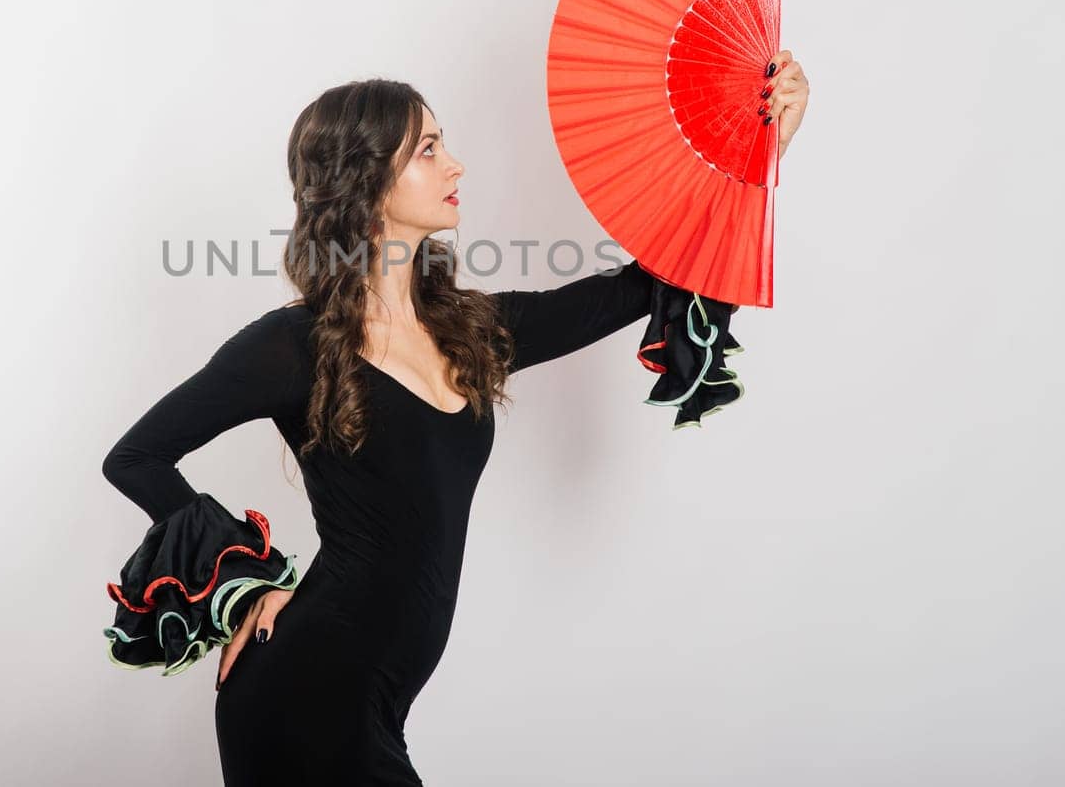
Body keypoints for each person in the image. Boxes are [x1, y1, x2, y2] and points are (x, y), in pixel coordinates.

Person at [102, 55, 810, 784]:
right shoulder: (290, 346)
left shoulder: (470, 331)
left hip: (375, 707)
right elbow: (137, 457)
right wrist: (242, 589)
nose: (457, 165)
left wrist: (762, 152)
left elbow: (640, 282)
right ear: (366, 178)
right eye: (429, 150)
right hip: (302, 697)